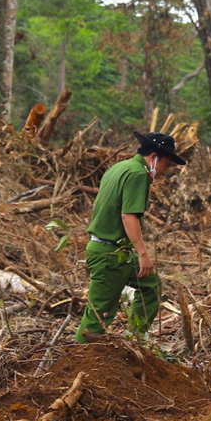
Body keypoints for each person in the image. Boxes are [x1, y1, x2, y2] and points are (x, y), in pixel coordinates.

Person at [77, 129, 184, 341]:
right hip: (109, 254)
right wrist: (143, 253)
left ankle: (134, 339)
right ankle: (79, 359)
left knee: (150, 285)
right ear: (154, 157)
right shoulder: (137, 174)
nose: (165, 170)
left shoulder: (119, 168)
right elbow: (128, 216)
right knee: (99, 314)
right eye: (167, 163)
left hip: (115, 251)